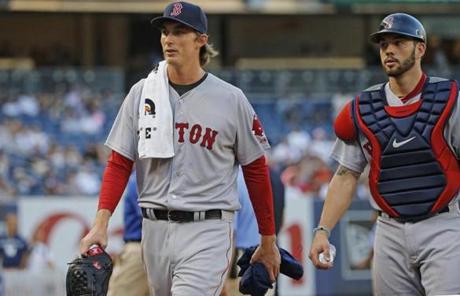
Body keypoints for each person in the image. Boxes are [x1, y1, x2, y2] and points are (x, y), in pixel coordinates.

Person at [80, 2, 280, 296]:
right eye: (165, 32)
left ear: (201, 40)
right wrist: (100, 224)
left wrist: (268, 241)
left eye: (179, 32)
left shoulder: (231, 99)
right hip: (154, 229)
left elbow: (256, 170)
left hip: (207, 228)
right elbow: (120, 162)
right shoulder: (142, 93)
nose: (168, 39)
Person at [309, 13, 460, 296]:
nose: (389, 50)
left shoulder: (449, 100)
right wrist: (322, 231)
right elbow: (345, 175)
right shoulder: (365, 109)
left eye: (399, 42)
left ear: (420, 48)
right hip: (389, 231)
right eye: (383, 44)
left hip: (444, 225)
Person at [107, 171, 150, 296]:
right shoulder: (142, 177)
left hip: (143, 250)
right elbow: (148, 215)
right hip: (142, 250)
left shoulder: (142, 176)